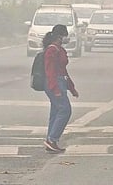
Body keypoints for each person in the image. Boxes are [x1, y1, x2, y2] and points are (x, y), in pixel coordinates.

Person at [43, 24, 79, 153]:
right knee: (65, 110)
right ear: (59, 36)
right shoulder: (52, 50)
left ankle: (51, 140)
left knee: (55, 112)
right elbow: (50, 71)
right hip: (55, 83)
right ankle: (52, 139)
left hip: (61, 82)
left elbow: (64, 71)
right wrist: (55, 88)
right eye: (64, 36)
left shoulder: (59, 49)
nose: (66, 38)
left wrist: (72, 88)